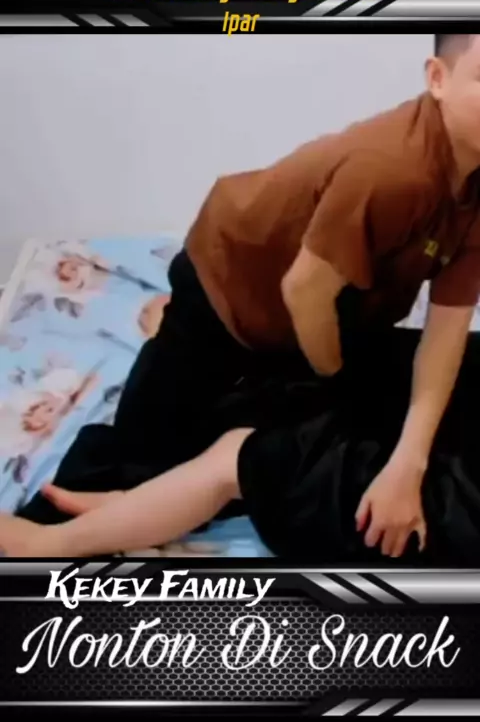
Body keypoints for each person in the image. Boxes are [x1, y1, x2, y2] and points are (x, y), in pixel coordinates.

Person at [1, 32, 480, 559]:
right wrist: (333, 380)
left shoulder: (472, 182)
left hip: (335, 304)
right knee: (141, 451)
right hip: (233, 280)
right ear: (437, 78)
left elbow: (448, 329)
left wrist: (409, 461)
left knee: (332, 417)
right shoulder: (392, 171)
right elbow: (303, 289)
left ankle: (207, 396)